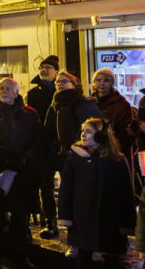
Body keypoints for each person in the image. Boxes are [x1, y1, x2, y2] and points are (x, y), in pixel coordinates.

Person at [58, 118, 135, 269]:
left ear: (101, 137)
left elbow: (126, 194)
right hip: (83, 215)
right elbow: (66, 189)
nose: (83, 135)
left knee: (111, 257)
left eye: (89, 132)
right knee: (83, 255)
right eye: (83, 131)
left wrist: (127, 223)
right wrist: (65, 216)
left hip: (111, 217)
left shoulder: (117, 160)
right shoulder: (75, 158)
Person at [0, 78, 45, 269]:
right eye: (1, 88)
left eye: (8, 88)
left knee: (19, 216)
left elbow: (38, 140)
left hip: (20, 172)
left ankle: (18, 254)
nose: (4, 91)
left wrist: (24, 159)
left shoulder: (29, 114)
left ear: (17, 92)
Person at [43, 70, 103, 237]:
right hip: (58, 154)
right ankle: (54, 223)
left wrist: (78, 149)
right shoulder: (55, 104)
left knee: (78, 194)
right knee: (59, 191)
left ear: (76, 85)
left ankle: (82, 232)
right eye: (58, 82)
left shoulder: (85, 104)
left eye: (65, 81)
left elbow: (98, 131)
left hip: (79, 156)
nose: (60, 84)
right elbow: (48, 130)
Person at [26, 55, 59, 235]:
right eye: (42, 67)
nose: (44, 70)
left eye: (49, 67)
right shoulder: (33, 94)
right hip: (42, 146)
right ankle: (50, 221)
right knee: (45, 185)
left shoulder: (64, 92)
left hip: (63, 146)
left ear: (56, 71)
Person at [91, 68, 137, 165]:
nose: (102, 83)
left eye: (106, 80)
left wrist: (114, 151)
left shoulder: (122, 105)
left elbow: (125, 134)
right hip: (93, 151)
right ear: (94, 82)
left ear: (111, 83)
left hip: (115, 153)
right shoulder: (89, 103)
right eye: (99, 80)